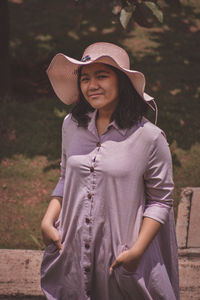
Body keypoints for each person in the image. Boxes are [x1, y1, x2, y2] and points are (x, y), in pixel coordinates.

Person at [40, 42, 179, 300]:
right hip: (72, 251)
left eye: (101, 76)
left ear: (122, 81)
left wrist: (137, 251)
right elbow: (65, 178)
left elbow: (161, 200)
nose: (91, 85)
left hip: (121, 254)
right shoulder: (70, 125)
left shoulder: (149, 137)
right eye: (85, 78)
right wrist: (48, 221)